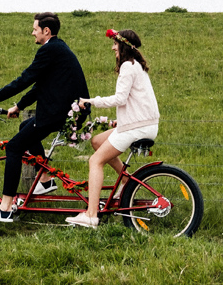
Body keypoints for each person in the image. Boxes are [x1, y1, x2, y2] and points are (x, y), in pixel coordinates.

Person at [0, 12, 89, 223]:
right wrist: (19, 105)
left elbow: (25, 79)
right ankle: (45, 180)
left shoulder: (50, 49)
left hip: (59, 112)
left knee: (14, 147)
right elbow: (40, 85)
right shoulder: (58, 48)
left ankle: (5, 207)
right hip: (64, 110)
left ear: (46, 31)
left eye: (35, 29)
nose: (32, 32)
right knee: (25, 127)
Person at [65, 28, 160, 229]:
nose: (113, 47)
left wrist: (91, 101)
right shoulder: (137, 66)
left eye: (115, 44)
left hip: (136, 127)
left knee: (95, 161)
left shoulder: (127, 66)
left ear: (123, 45)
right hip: (142, 124)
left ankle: (91, 215)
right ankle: (125, 181)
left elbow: (120, 99)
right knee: (97, 141)